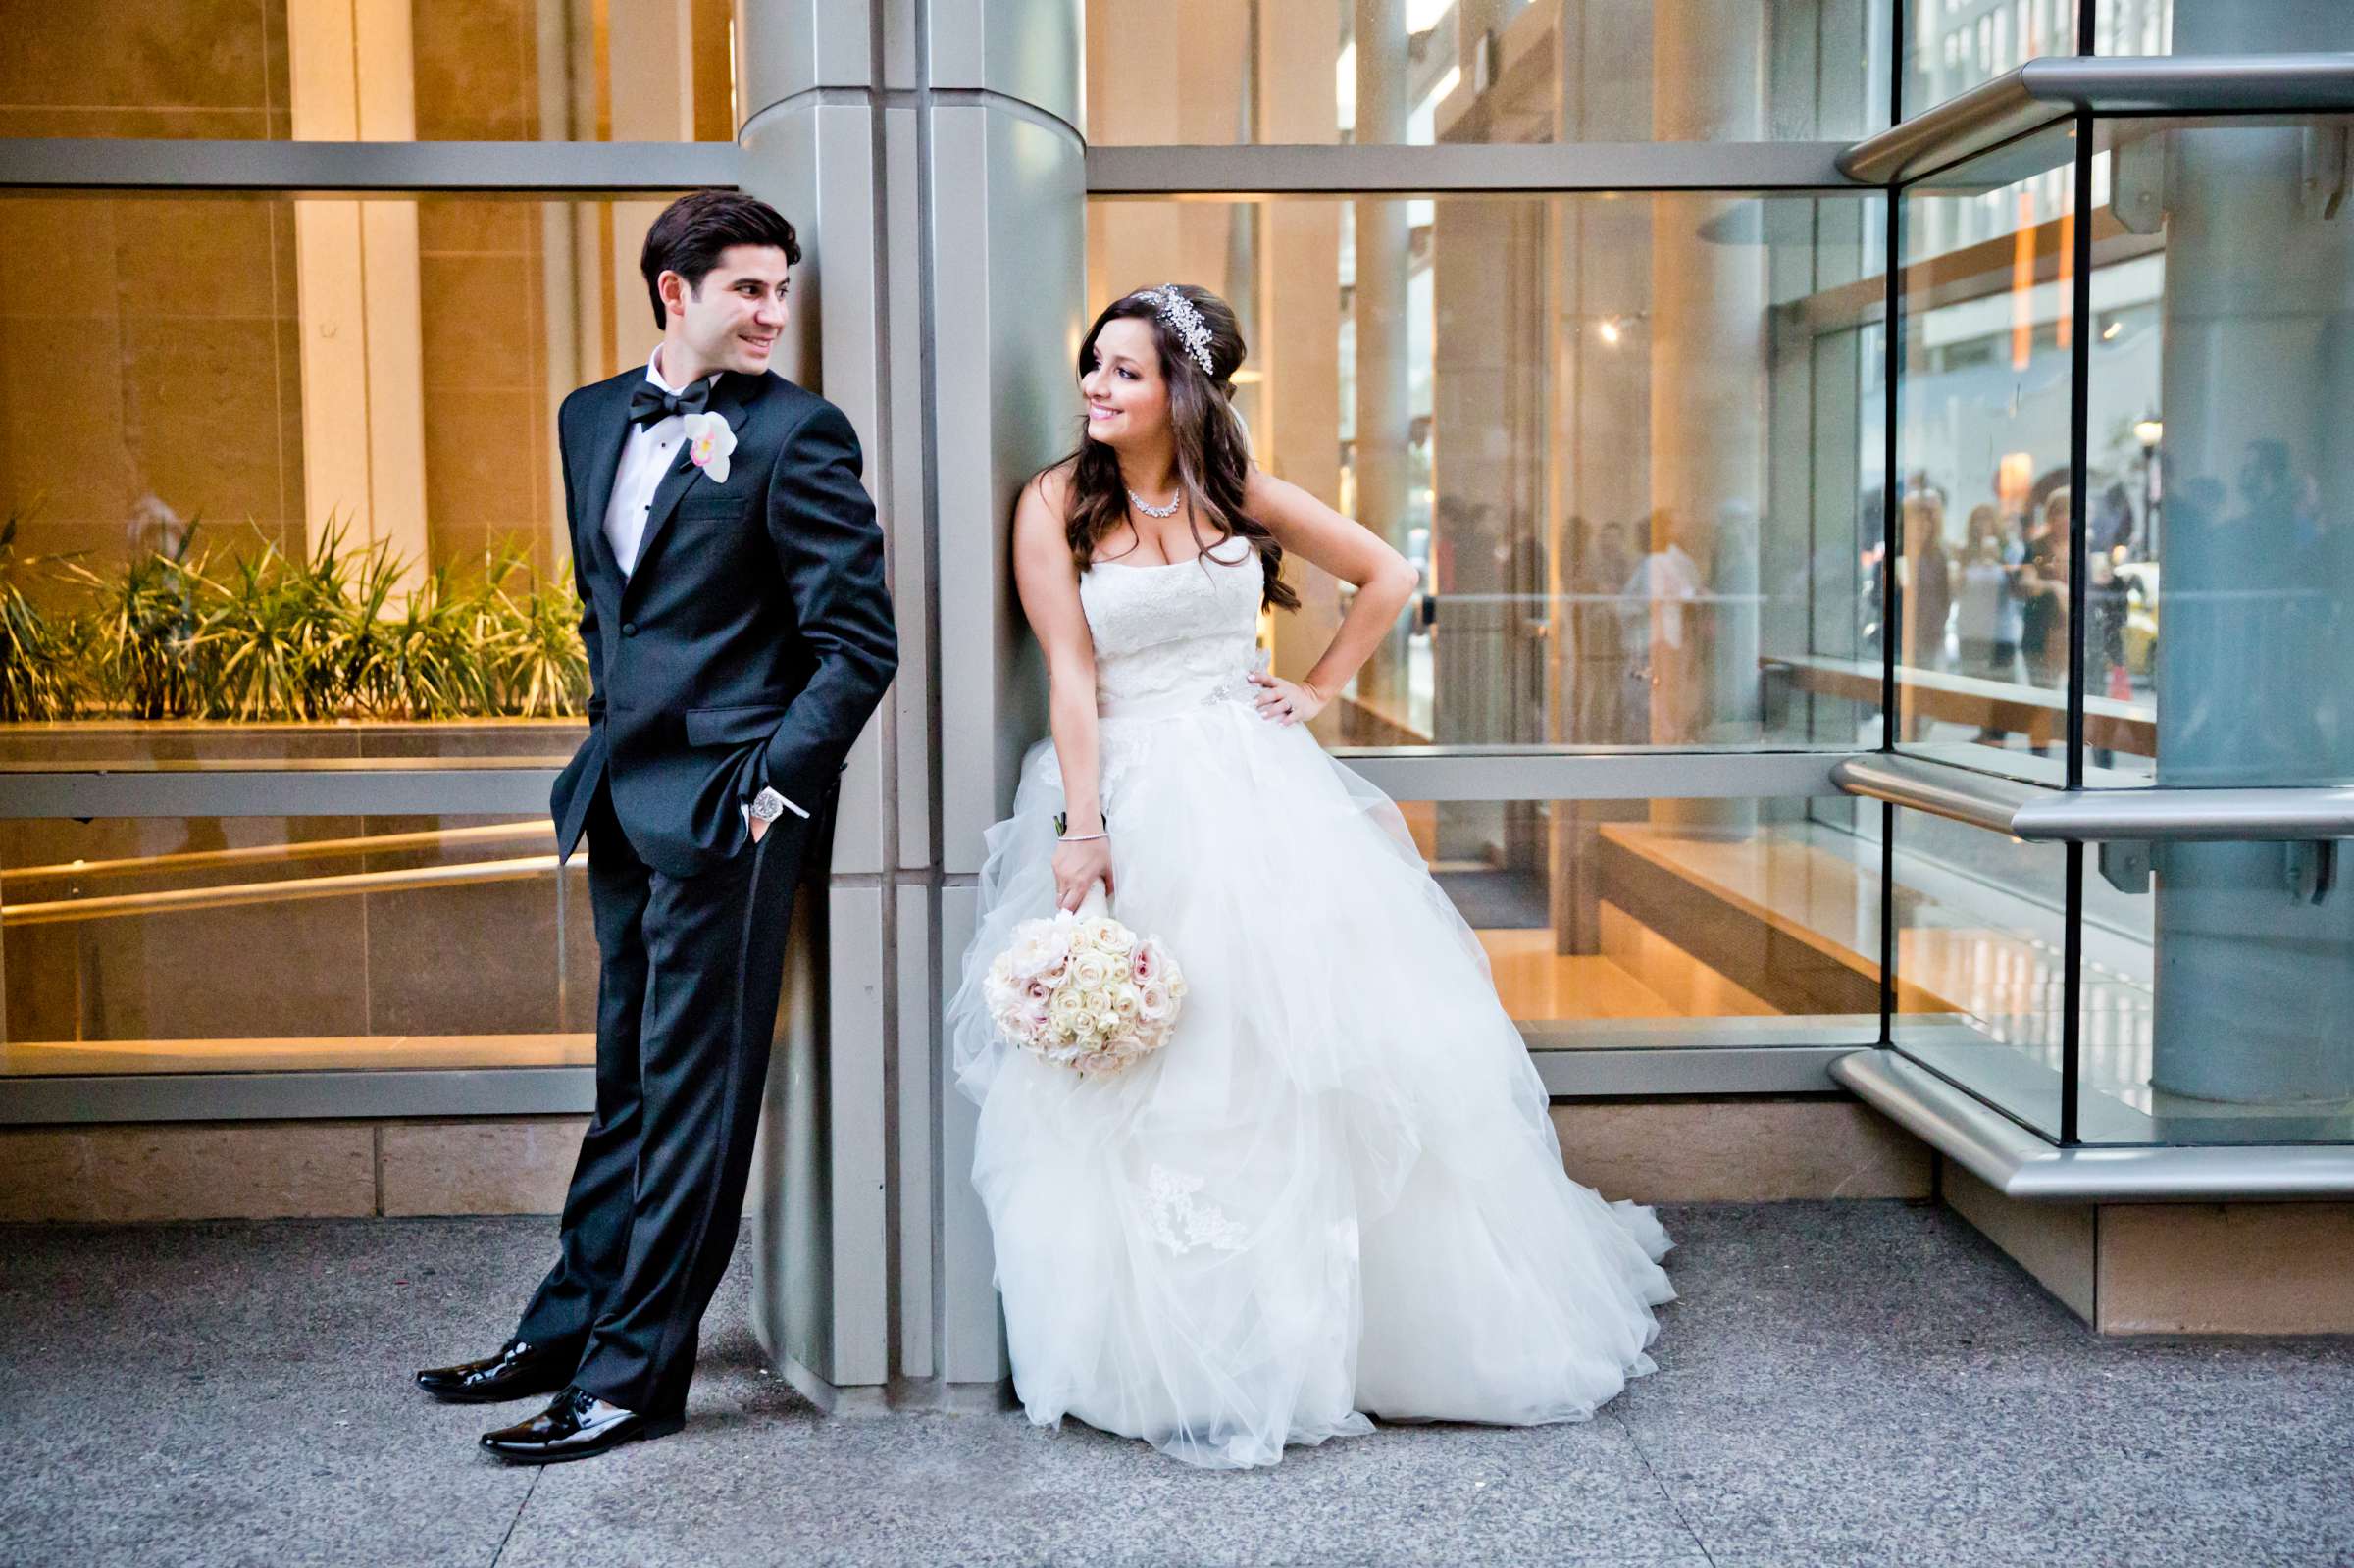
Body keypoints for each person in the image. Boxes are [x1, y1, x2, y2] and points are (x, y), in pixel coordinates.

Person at [947, 284, 1673, 1471]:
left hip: (1261, 785)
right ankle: (1174, 1344)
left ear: (1183, 388)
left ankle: (1345, 1330)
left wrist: (1320, 686)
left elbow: (1388, 574)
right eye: (1094, 366)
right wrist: (1085, 827)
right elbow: (1071, 675)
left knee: (1303, 1047)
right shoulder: (1055, 504)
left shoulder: (1239, 495)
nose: (1097, 388)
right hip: (1135, 786)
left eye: (1123, 372)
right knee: (1163, 1059)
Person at [412, 191, 898, 1463]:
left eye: (781, 291)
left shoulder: (799, 437)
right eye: (748, 288)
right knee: (624, 1079)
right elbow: (606, 609)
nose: (773, 313)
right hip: (622, 798)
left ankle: (634, 1376)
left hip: (731, 811)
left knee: (694, 1100)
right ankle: (567, 1326)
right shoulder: (588, 418)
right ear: (673, 293)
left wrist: (771, 786)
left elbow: (859, 645)